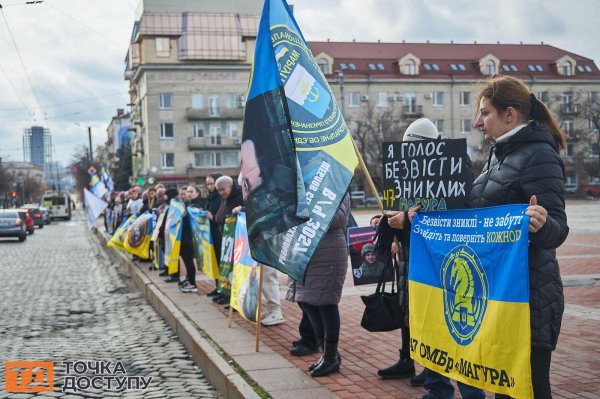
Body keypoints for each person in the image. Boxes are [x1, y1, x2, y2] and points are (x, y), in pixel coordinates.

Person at [470, 75, 568, 399]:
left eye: (485, 113)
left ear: (509, 114)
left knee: (529, 388)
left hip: (531, 297)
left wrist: (542, 224)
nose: (477, 121)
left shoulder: (539, 155)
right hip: (502, 293)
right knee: (506, 388)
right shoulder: (499, 156)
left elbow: (558, 227)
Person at [290, 193, 350, 377]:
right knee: (306, 301)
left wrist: (312, 207)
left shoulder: (337, 185)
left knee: (325, 303)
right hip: (307, 251)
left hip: (329, 253)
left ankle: (331, 357)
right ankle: (327, 353)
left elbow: (338, 220)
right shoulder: (303, 186)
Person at [209, 176, 243, 305]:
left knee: (234, 271)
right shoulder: (225, 199)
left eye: (223, 189)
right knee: (227, 270)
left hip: (236, 240)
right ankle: (226, 294)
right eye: (219, 191)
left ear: (230, 187)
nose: (221, 193)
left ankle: (235, 299)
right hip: (227, 239)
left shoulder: (239, 197)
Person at [179, 184, 205, 293]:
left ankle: (192, 283)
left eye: (191, 192)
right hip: (184, 236)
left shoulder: (198, 204)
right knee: (186, 260)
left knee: (189, 261)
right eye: (187, 192)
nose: (188, 194)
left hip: (191, 238)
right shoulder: (186, 204)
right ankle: (189, 279)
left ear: (197, 193)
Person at [204, 173, 223, 298]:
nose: (209, 186)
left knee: (222, 263)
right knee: (215, 262)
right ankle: (218, 287)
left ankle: (224, 290)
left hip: (220, 234)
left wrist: (213, 217)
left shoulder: (220, 197)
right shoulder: (209, 197)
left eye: (211, 184)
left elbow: (221, 215)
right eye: (207, 184)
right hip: (210, 234)